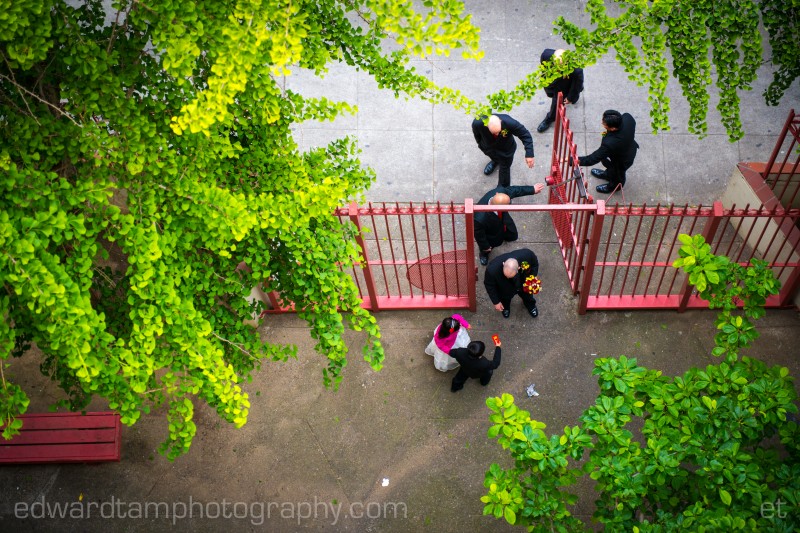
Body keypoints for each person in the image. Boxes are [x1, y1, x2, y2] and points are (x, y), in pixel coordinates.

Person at [475, 184, 545, 266]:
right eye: (508, 205)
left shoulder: (501, 192)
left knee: (512, 235)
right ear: (499, 208)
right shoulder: (479, 219)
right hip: (492, 232)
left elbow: (515, 190)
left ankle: (506, 235)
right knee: (488, 248)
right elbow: (479, 235)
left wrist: (532, 189)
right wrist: (485, 246)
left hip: (503, 221)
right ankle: (484, 254)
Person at [578, 110, 639, 194]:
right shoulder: (628, 117)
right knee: (612, 169)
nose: (602, 123)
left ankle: (613, 186)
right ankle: (607, 174)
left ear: (613, 128)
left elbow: (592, 158)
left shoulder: (610, 143)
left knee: (618, 174)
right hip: (629, 148)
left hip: (622, 160)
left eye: (604, 124)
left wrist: (574, 160)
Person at [472, 114, 535, 188]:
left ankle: (504, 191)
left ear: (500, 121)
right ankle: (495, 161)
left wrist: (529, 154)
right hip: (489, 149)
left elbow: (525, 134)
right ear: (486, 125)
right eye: (494, 133)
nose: (497, 134)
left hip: (506, 151)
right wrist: (482, 146)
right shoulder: (477, 123)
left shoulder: (510, 122)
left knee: (504, 170)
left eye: (498, 132)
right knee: (494, 157)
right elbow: (477, 136)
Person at [536, 48, 584, 133]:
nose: (558, 68)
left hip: (565, 86)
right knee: (550, 93)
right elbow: (543, 67)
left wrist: (570, 97)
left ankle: (550, 118)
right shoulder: (546, 54)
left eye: (561, 66)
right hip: (551, 81)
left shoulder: (577, 69)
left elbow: (576, 85)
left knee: (556, 103)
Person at [484, 248, 540, 319]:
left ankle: (530, 305)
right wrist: (496, 302)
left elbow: (534, 264)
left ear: (518, 268)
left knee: (527, 295)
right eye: (506, 275)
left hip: (522, 282)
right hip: (504, 288)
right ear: (503, 264)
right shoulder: (491, 270)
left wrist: (530, 278)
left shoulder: (527, 255)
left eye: (510, 276)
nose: (507, 277)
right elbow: (489, 285)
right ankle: (506, 307)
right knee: (505, 298)